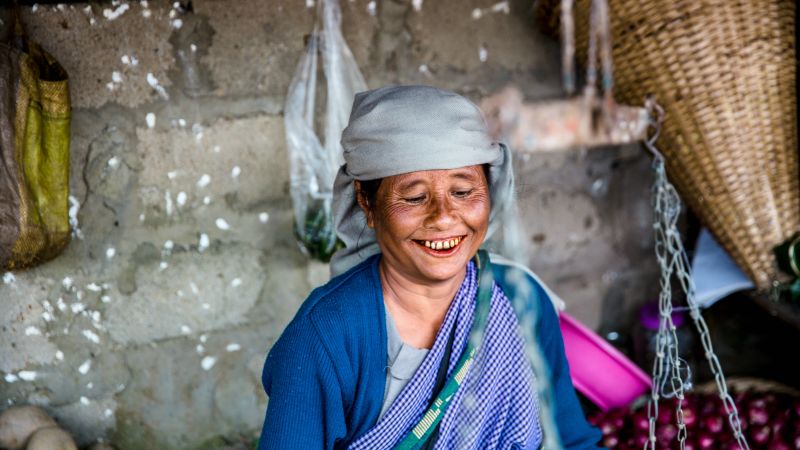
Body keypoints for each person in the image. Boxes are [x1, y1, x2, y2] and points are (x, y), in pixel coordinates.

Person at [258, 85, 603, 449]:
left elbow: (570, 440)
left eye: (463, 192)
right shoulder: (325, 336)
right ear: (366, 202)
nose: (443, 217)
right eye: (415, 197)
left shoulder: (518, 300)